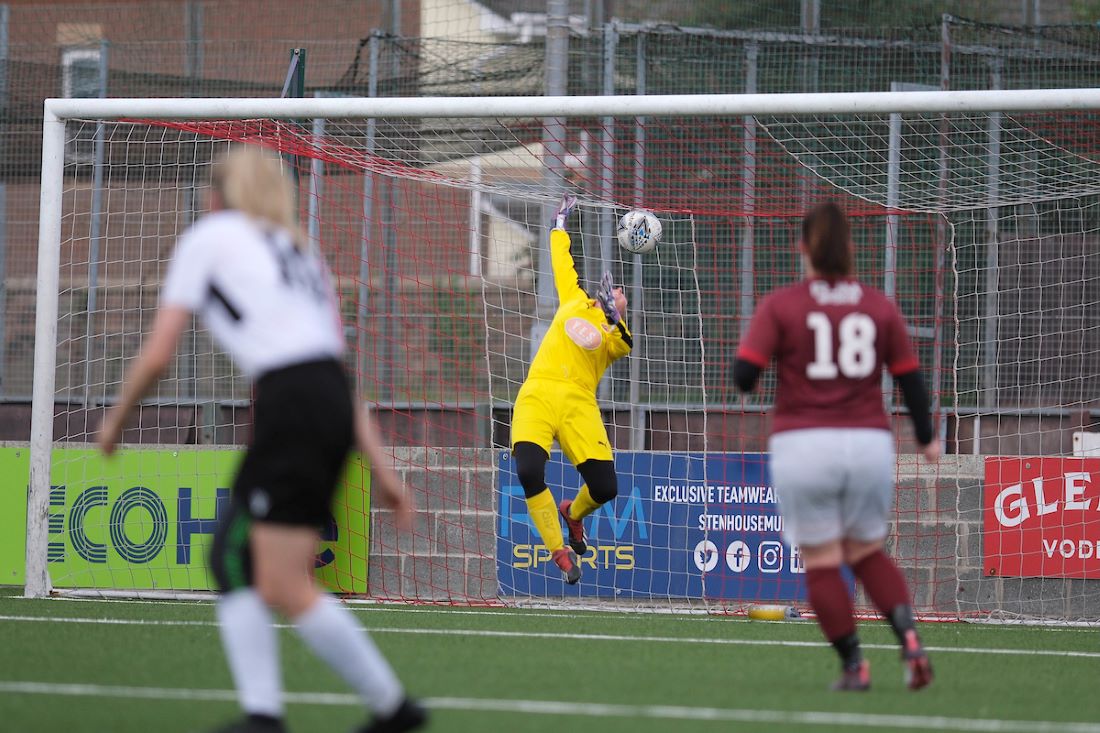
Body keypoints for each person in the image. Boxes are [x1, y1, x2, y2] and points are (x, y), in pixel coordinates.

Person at [96, 146, 426, 733]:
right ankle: (338, 712)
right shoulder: (300, 250)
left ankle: (358, 711)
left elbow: (159, 353)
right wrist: (383, 471)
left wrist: (116, 420)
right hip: (324, 401)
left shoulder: (210, 236)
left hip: (291, 403)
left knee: (257, 570)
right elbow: (338, 376)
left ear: (217, 194)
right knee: (247, 561)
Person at [733, 202, 938, 692]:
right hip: (868, 442)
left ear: (802, 247)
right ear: (850, 249)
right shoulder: (878, 305)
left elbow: (744, 377)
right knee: (868, 551)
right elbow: (910, 381)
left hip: (804, 445)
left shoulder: (782, 304)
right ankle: (909, 641)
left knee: (823, 560)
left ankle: (854, 667)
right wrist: (928, 439)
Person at [511, 194, 632, 584]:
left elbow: (624, 345)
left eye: (621, 297)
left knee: (606, 487)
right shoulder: (574, 300)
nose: (617, 293)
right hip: (538, 394)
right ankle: (559, 552)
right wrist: (560, 223)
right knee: (529, 471)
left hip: (579, 404)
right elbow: (562, 261)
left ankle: (574, 513)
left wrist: (615, 320)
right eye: (616, 290)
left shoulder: (615, 337)